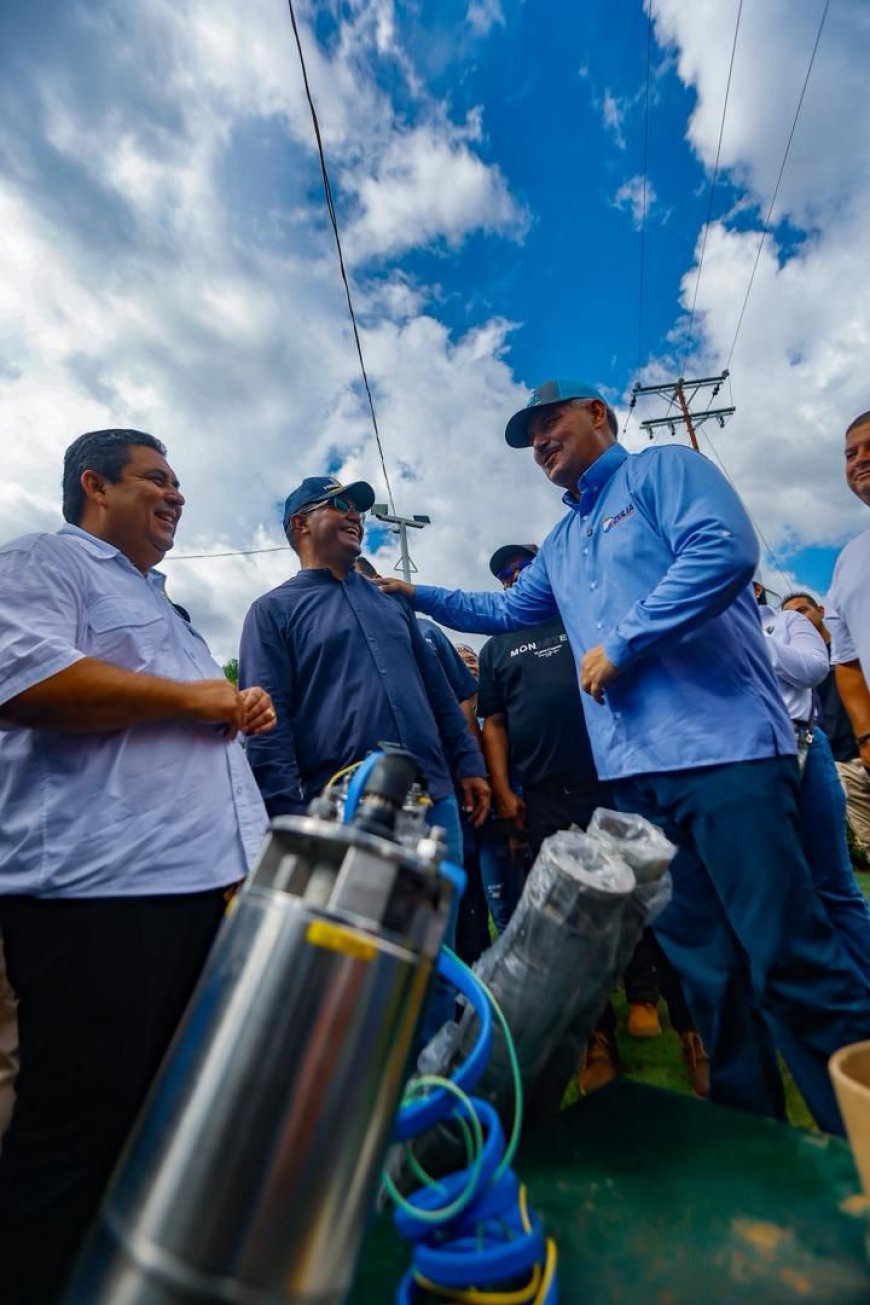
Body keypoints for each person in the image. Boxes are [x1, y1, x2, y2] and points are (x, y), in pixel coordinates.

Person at [377, 378, 870, 1134]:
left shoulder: (663, 471)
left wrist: (627, 642)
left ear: (598, 414)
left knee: (790, 956)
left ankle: (855, 1144)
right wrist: (415, 593)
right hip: (636, 782)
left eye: (549, 424)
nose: (539, 443)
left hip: (726, 755)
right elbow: (506, 611)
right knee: (707, 970)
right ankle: (755, 1141)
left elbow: (725, 546)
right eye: (529, 437)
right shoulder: (564, 542)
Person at [0, 428, 274, 1303]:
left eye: (179, 482)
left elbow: (192, 721)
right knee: (76, 1136)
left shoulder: (167, 608)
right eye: (156, 478)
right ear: (95, 484)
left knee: (161, 1118)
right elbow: (25, 681)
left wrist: (235, 706)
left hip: (192, 893)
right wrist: (195, 697)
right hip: (98, 896)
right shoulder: (47, 559)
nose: (177, 494)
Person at [481, 543, 707, 1097]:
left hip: (616, 781)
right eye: (508, 573)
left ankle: (692, 1028)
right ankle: (594, 1039)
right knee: (567, 918)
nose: (517, 575)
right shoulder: (497, 647)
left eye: (526, 567)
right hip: (544, 799)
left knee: (659, 901)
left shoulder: (586, 616)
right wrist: (507, 794)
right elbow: (494, 725)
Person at [753, 589, 870, 987]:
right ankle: (813, 989)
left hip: (801, 743)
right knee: (770, 885)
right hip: (743, 759)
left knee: (833, 880)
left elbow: (814, 668)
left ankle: (863, 982)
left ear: (752, 588)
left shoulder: (786, 622)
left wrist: (751, 639)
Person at [783, 591, 870, 858]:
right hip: (842, 762)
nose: (798, 619)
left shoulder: (852, 651)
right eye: (789, 616)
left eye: (802, 611)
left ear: (820, 611)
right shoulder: (794, 666)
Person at [827, 411, 870, 841]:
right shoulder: (849, 560)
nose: (860, 460)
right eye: (850, 454)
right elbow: (848, 661)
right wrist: (866, 736)